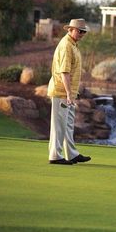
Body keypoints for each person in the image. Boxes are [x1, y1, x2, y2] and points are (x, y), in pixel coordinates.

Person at [48, 19, 91, 165]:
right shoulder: (66, 45)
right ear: (71, 29)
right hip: (62, 92)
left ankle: (71, 154)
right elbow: (64, 72)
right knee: (59, 125)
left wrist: (71, 94)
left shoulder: (73, 45)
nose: (82, 34)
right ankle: (55, 156)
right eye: (80, 31)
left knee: (67, 124)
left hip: (69, 93)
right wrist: (67, 93)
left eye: (83, 31)